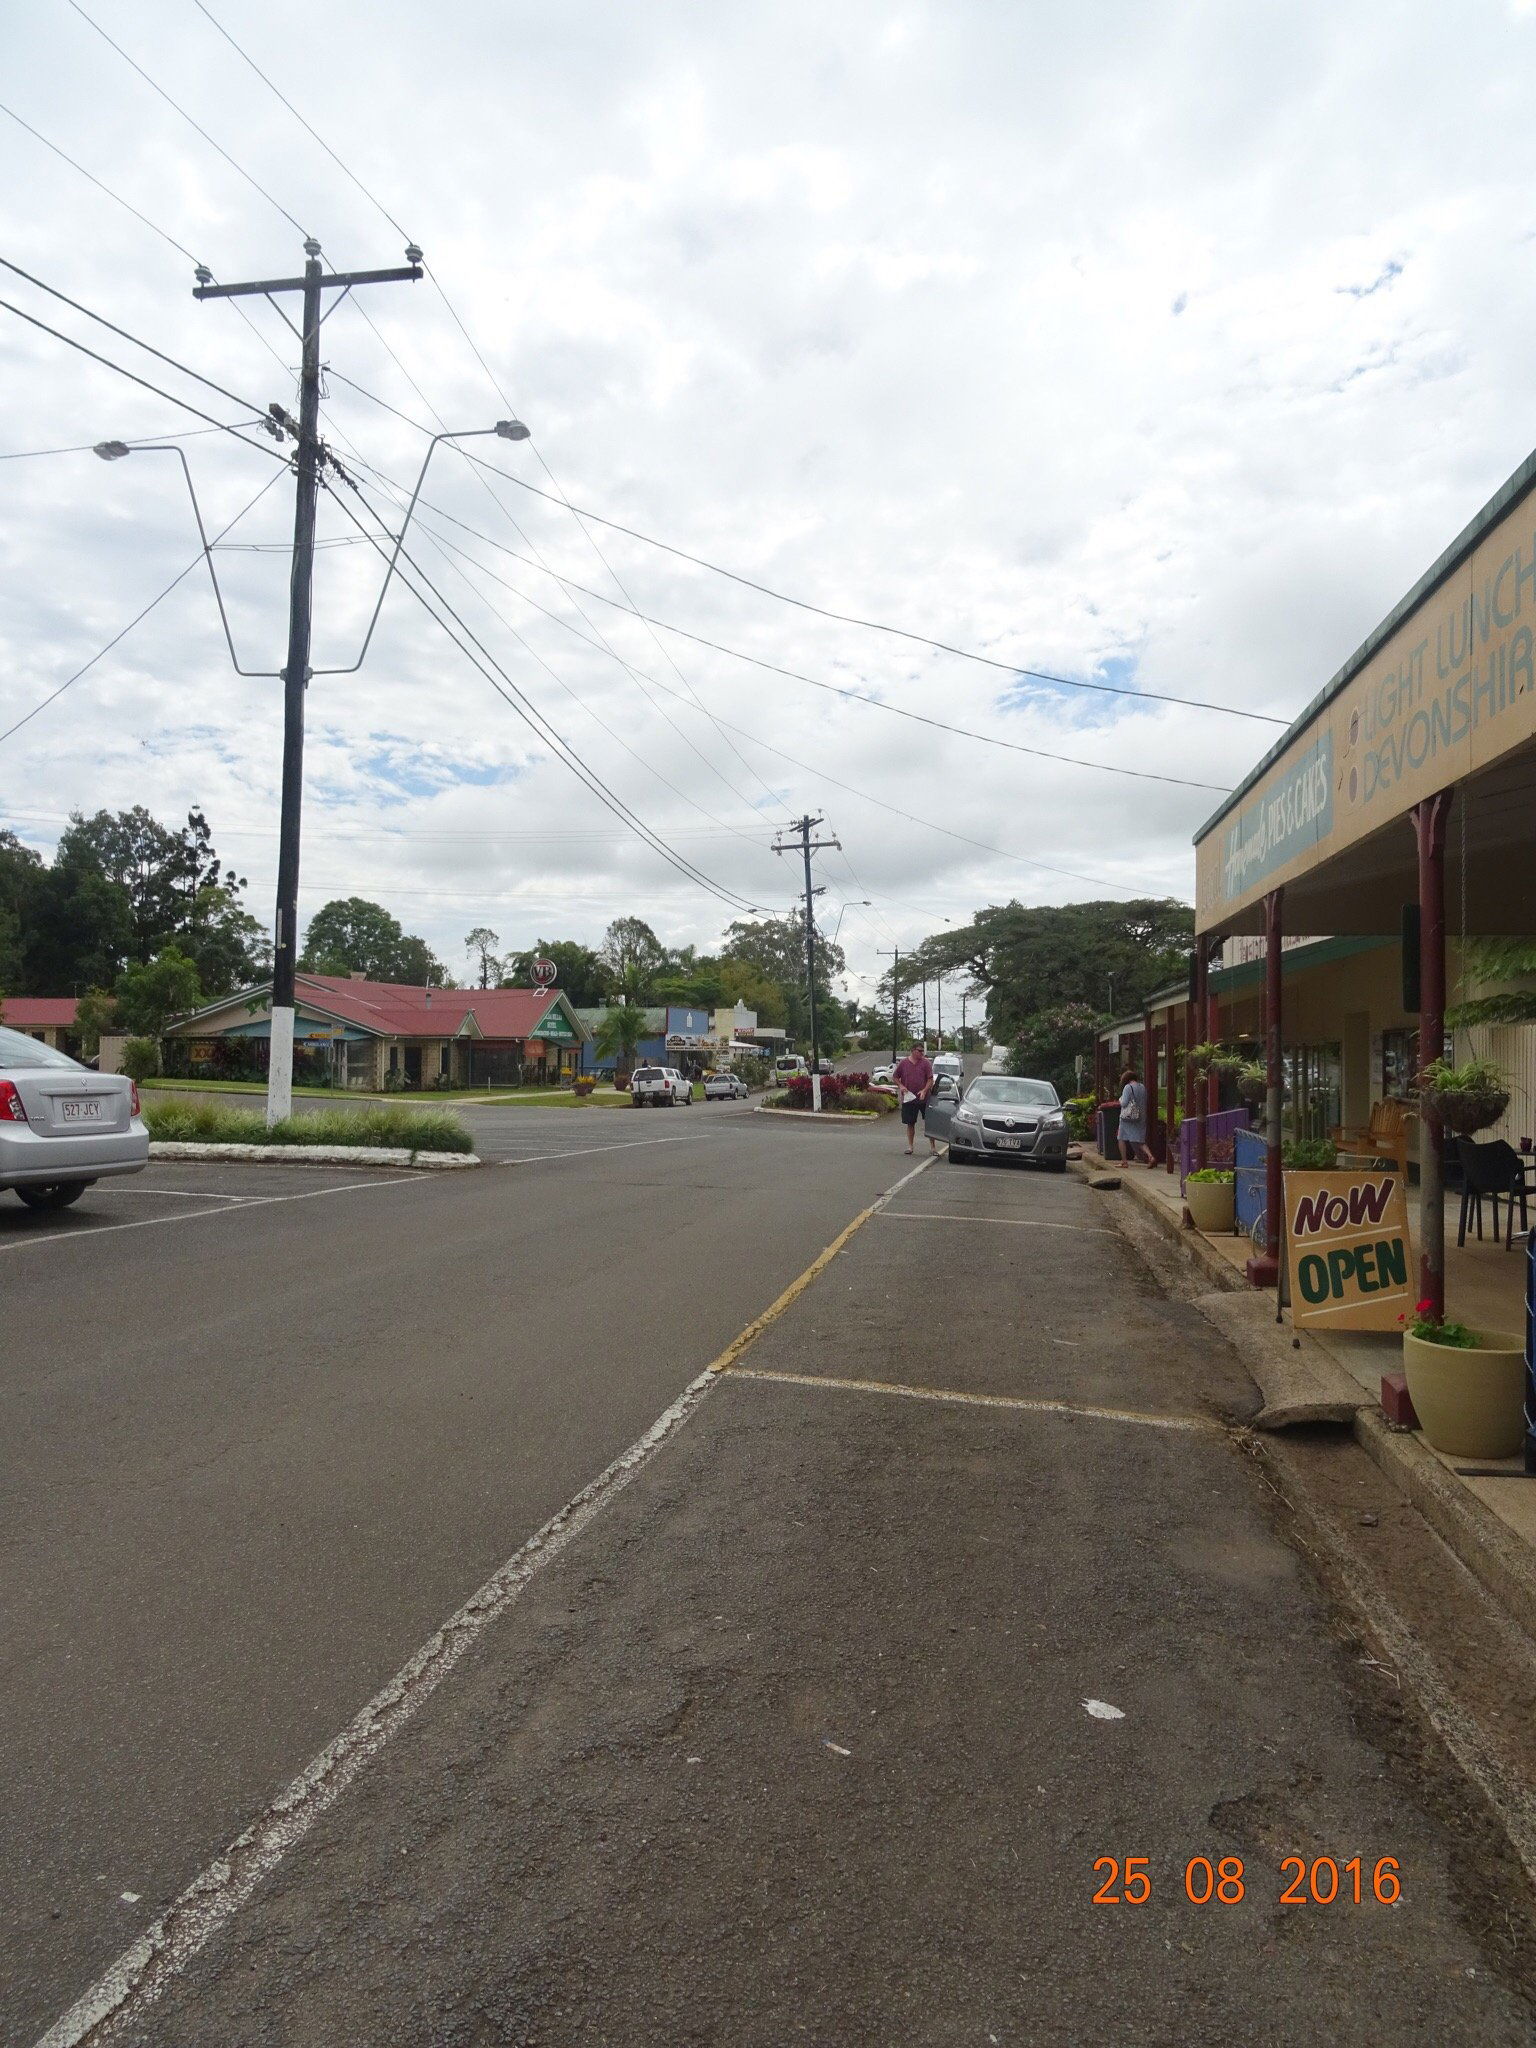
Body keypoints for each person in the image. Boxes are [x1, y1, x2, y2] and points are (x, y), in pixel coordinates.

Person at [894, 1037, 936, 1155]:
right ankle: (910, 1146)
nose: (922, 1053)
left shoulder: (926, 1063)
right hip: (909, 1098)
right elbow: (895, 1077)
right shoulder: (903, 1063)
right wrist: (901, 1086)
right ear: (913, 1050)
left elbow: (930, 1079)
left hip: (924, 1098)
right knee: (910, 1123)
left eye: (923, 1051)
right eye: (919, 1051)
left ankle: (933, 1147)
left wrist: (924, 1090)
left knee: (929, 1122)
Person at [1116, 1067, 1155, 1168]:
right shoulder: (1142, 1087)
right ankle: (1150, 1156)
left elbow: (1124, 1103)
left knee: (1121, 1138)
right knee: (1140, 1141)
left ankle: (1124, 1161)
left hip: (1127, 1118)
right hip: (1141, 1117)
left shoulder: (1127, 1087)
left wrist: (1120, 1099)